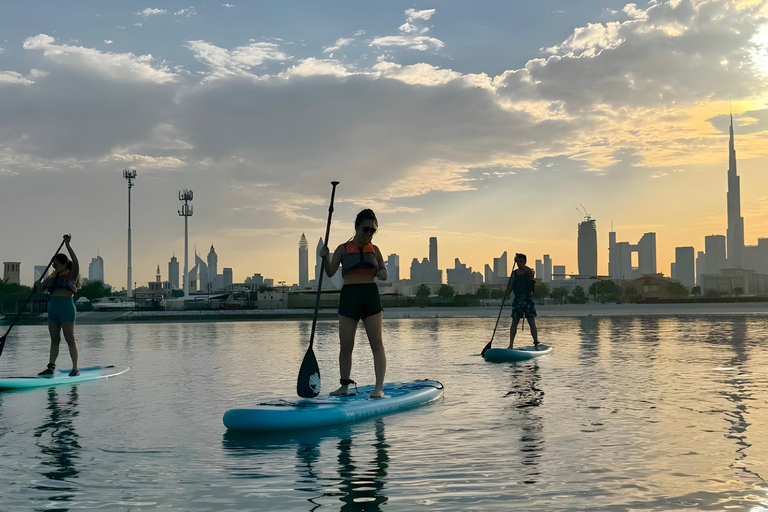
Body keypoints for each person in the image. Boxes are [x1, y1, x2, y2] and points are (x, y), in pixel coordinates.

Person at [319, 209, 388, 398]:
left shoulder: (375, 249)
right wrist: (325, 257)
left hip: (370, 295)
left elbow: (383, 272)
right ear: (356, 227)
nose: (368, 234)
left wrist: (382, 274)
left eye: (373, 231)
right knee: (346, 345)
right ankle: (344, 386)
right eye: (365, 229)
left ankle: (378, 388)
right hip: (349, 295)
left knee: (377, 345)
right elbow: (331, 272)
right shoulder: (343, 248)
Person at [37, 234, 81, 377]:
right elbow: (39, 289)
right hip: (53, 310)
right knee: (54, 339)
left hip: (66, 309)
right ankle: (50, 367)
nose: (53, 265)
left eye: (55, 263)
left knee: (70, 339)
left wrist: (68, 245)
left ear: (62, 262)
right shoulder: (52, 276)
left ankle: (75, 368)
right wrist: (37, 284)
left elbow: (75, 261)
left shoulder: (71, 274)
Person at [508, 253, 540, 350]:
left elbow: (527, 271)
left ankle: (536, 345)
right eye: (517, 261)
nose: (518, 263)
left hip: (527, 300)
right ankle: (511, 345)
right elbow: (510, 286)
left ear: (525, 262)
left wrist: (519, 262)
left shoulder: (530, 271)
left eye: (521, 261)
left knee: (531, 322)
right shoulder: (515, 273)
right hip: (518, 300)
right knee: (514, 322)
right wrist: (505, 295)